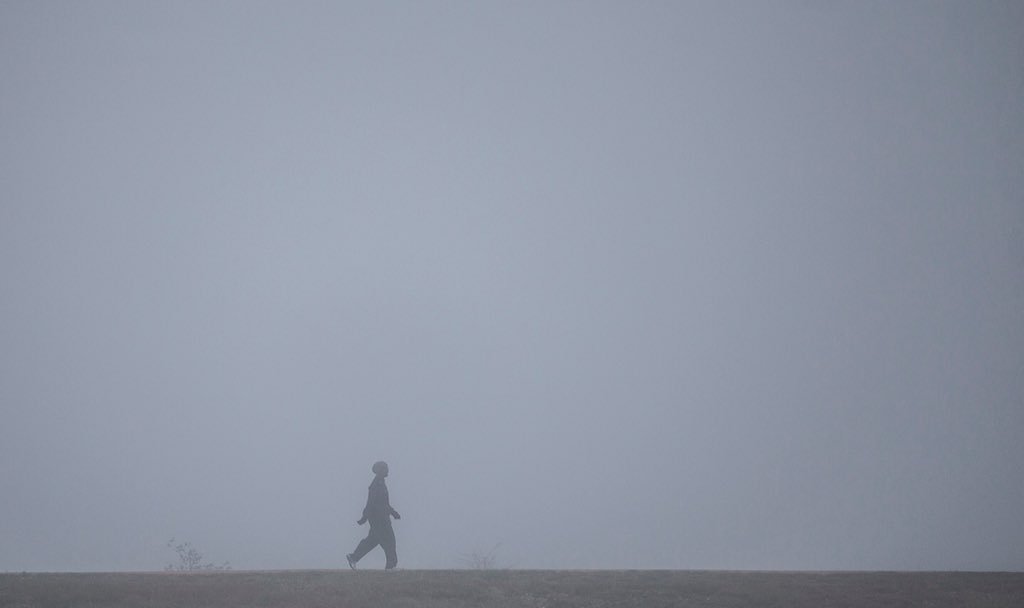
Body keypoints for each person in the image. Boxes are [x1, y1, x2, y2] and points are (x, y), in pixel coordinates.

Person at [347, 461, 401, 570]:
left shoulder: (380, 483)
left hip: (381, 517)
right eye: (385, 468)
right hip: (379, 519)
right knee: (389, 540)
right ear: (380, 470)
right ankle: (391, 566)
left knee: (372, 540)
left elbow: (384, 503)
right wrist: (364, 517)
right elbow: (371, 502)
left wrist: (393, 512)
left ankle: (353, 557)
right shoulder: (376, 485)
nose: (387, 470)